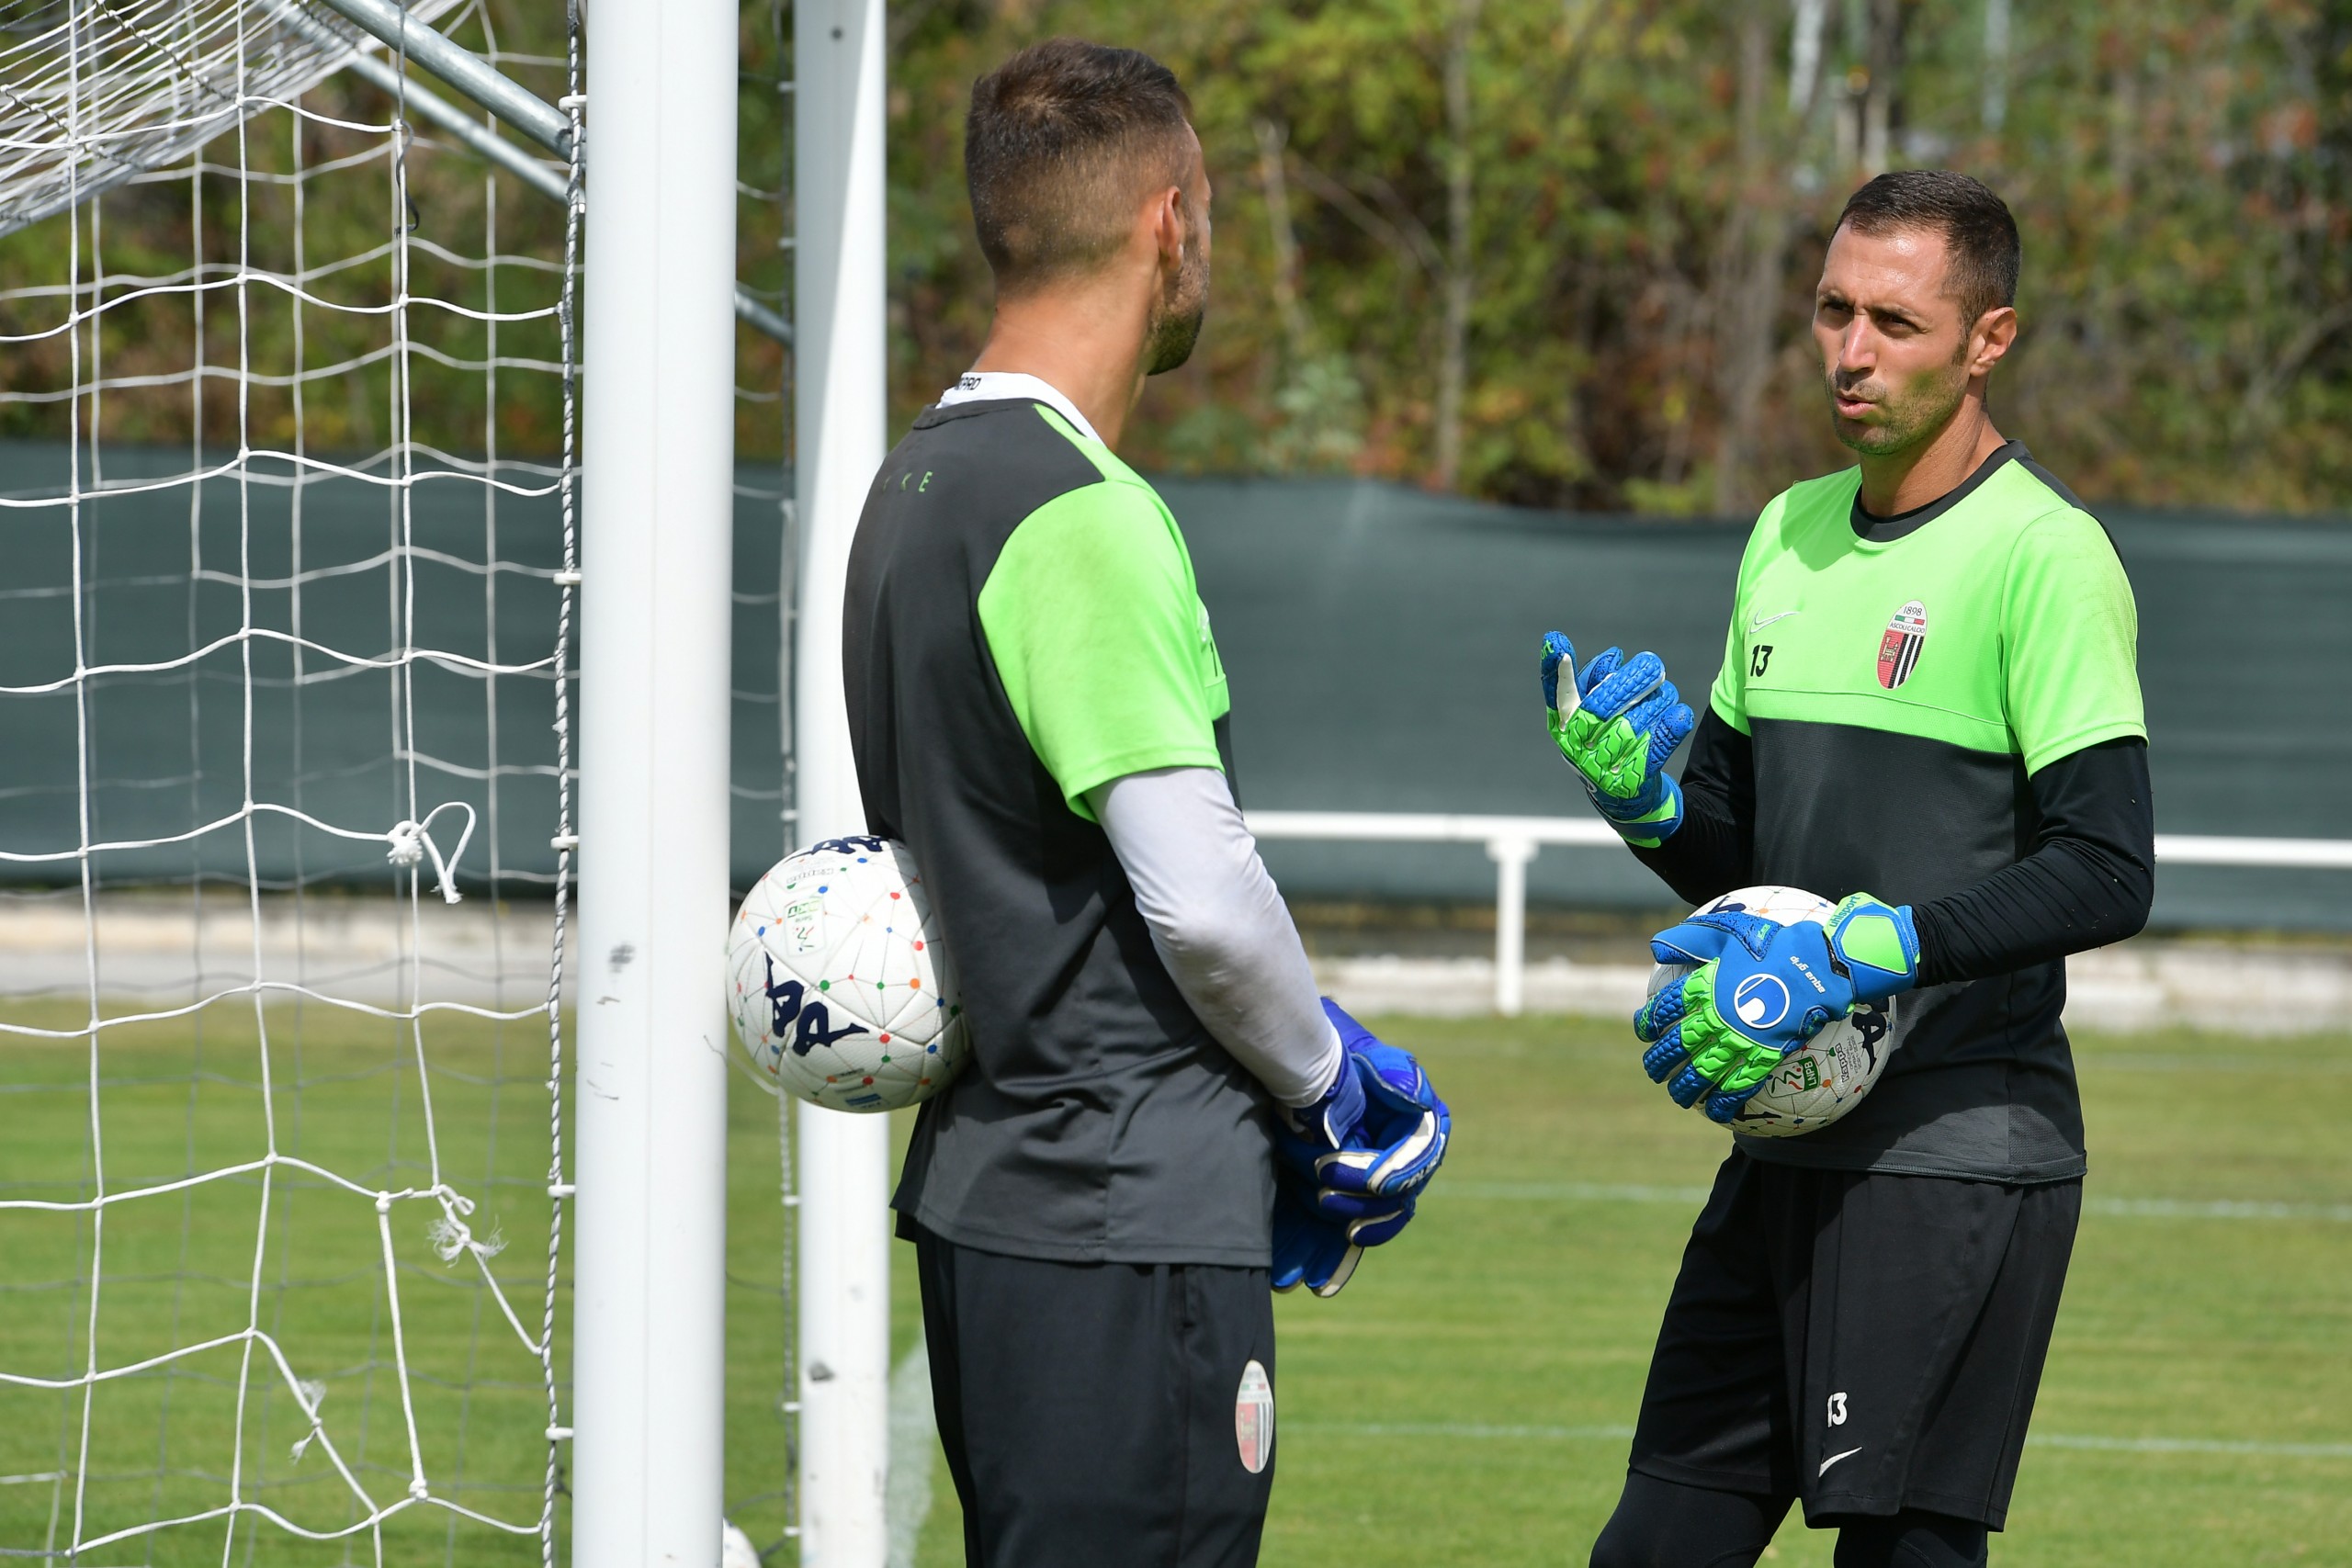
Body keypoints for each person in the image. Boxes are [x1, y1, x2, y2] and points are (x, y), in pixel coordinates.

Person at [840, 39, 1448, 1568]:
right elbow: (1198, 894)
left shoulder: (912, 484)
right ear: (1170, 222)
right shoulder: (1080, 514)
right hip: (1124, 1213)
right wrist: (1328, 1092)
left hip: (1001, 1202)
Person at [1547, 170, 2153, 1568]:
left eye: (1896, 320)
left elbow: (2108, 871)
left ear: (1988, 340)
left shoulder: (2046, 559)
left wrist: (1870, 953)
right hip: (1784, 1143)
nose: (1853, 353)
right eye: (1832, 311)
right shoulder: (1787, 532)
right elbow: (1738, 856)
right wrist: (1642, 803)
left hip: (1955, 1153)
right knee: (1649, 1549)